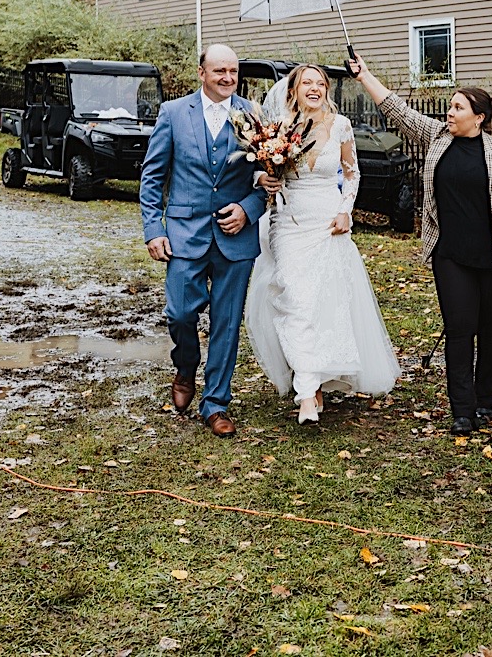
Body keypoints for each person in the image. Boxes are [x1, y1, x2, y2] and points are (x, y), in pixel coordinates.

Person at [347, 53, 492, 436]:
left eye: (457, 107)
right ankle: (462, 409)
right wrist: (365, 76)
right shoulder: (438, 138)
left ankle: (486, 402)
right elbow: (398, 111)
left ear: (478, 117)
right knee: (459, 329)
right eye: (450, 106)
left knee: (491, 332)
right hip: (451, 255)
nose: (449, 112)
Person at [244, 64, 400, 424]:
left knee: (322, 304)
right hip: (289, 223)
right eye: (306, 83)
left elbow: (351, 172)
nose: (314, 88)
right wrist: (263, 176)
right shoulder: (279, 128)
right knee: (294, 300)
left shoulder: (341, 125)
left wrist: (347, 211)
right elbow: (259, 168)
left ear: (326, 89)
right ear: (294, 90)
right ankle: (308, 388)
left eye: (320, 83)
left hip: (328, 223)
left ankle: (310, 389)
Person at [140, 44, 273, 438]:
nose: (227, 77)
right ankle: (185, 366)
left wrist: (249, 208)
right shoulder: (174, 113)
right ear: (202, 73)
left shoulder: (254, 115)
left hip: (236, 237)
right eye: (219, 70)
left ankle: (215, 404)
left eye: (232, 71)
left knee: (226, 324)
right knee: (179, 313)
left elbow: (269, 178)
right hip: (184, 233)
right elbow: (152, 177)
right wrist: (154, 229)